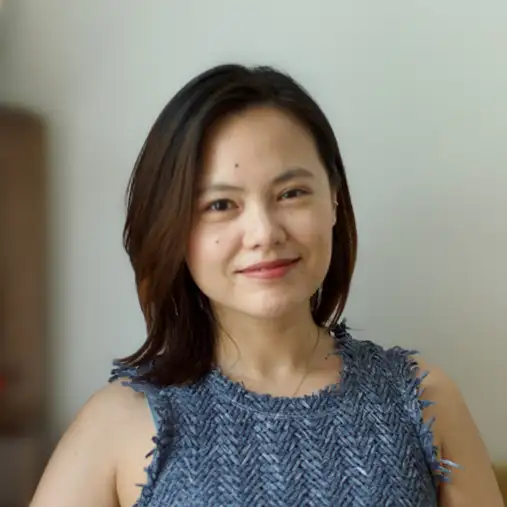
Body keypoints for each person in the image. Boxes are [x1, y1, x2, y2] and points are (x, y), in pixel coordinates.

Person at [30, 64, 503, 507]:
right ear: (174, 227)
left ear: (334, 199)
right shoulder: (120, 421)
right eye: (220, 205)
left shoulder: (423, 399)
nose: (264, 233)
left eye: (291, 193)